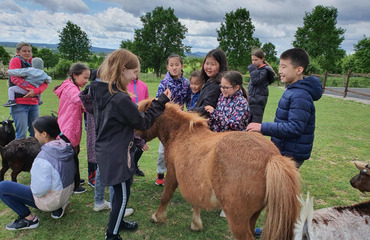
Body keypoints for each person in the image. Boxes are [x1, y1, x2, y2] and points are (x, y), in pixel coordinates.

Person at [88, 48, 171, 240]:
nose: (135, 77)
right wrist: (159, 102)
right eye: (134, 72)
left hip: (108, 149)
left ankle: (118, 222)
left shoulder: (99, 89)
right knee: (122, 194)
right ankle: (112, 234)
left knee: (120, 191)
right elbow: (142, 122)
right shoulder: (119, 98)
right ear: (123, 69)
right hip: (118, 153)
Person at [246, 48, 323, 237]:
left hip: (292, 152)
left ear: (299, 70)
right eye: (279, 66)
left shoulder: (300, 95)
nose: (279, 70)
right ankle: (276, 228)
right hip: (286, 149)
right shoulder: (294, 90)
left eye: (283, 66)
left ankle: (282, 230)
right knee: (277, 194)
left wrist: (262, 127)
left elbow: (295, 127)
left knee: (279, 195)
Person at [0, 115, 76, 230]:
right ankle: (59, 205)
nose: (34, 135)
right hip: (67, 193)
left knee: (3, 187)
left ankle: (29, 219)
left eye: (35, 132)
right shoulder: (66, 146)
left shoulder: (42, 158)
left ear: (44, 134)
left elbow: (38, 191)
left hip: (53, 200)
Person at [79, 69, 134, 217]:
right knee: (111, 173)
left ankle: (99, 201)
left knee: (102, 170)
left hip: (97, 138)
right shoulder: (105, 94)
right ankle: (112, 206)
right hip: (106, 140)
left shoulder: (93, 92)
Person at [204, 71, 249, 218]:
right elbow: (218, 120)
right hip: (218, 141)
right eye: (221, 87)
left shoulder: (242, 103)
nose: (222, 90)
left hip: (233, 145)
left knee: (231, 176)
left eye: (226, 87)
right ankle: (219, 200)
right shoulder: (223, 98)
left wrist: (215, 113)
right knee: (219, 174)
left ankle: (229, 205)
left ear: (236, 87)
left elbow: (235, 124)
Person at [154, 54, 191, 186]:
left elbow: (189, 102)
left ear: (182, 66)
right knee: (163, 150)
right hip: (166, 122)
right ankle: (160, 174)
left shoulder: (187, 83)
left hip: (181, 123)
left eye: (177, 64)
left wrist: (187, 115)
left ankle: (179, 175)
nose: (174, 67)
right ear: (167, 67)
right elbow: (158, 102)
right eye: (171, 65)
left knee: (181, 150)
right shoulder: (164, 83)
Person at [54, 62, 90, 194]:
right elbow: (80, 100)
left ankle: (75, 178)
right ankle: (73, 184)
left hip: (70, 126)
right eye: (85, 77)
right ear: (75, 75)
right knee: (70, 156)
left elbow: (80, 105)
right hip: (68, 127)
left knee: (74, 153)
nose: (86, 81)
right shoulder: (70, 88)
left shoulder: (72, 86)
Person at [8, 42, 48, 139]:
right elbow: (14, 78)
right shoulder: (16, 60)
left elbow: (45, 82)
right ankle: (18, 154)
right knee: (21, 134)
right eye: (24, 51)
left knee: (36, 133)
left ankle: (32, 154)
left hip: (34, 103)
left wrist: (36, 91)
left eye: (29, 51)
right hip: (20, 103)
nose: (27, 53)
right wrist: (31, 89)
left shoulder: (34, 63)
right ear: (18, 52)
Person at [191, 49, 228, 117]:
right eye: (207, 63)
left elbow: (206, 108)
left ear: (221, 66)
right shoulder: (209, 81)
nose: (208, 67)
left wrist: (189, 113)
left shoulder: (216, 85)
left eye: (213, 64)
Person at [127, 67, 150, 176]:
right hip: (129, 119)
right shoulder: (125, 84)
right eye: (133, 70)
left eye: (137, 70)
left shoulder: (143, 85)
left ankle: (135, 165)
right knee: (131, 145)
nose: (135, 73)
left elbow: (147, 101)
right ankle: (130, 167)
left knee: (142, 144)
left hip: (140, 119)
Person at [247, 48, 276, 123]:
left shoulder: (264, 70)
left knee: (255, 121)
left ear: (262, 59)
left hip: (258, 100)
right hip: (252, 98)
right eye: (252, 60)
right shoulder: (257, 70)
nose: (253, 62)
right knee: (248, 120)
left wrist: (253, 70)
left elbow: (255, 81)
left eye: (256, 60)